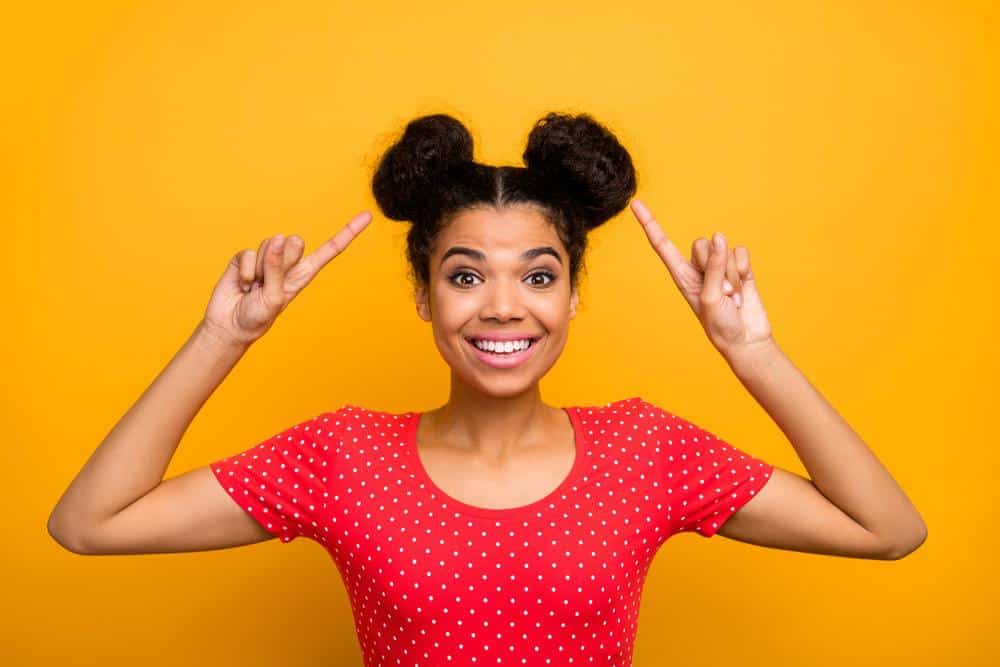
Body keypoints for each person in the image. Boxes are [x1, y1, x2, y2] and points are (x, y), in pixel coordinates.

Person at [47, 111, 927, 665]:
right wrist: (222, 336)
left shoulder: (647, 450)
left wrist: (755, 353)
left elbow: (888, 529)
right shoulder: (342, 457)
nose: (504, 306)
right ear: (424, 293)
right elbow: (89, 524)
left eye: (538, 276)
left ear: (574, 294)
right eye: (465, 276)